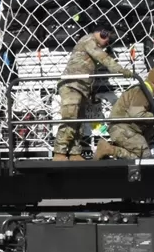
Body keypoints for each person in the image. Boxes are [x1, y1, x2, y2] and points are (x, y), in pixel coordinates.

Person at [53, 27, 134, 161]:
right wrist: (121, 70)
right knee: (70, 119)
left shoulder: (91, 45)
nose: (107, 42)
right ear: (103, 33)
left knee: (79, 122)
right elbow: (102, 57)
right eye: (108, 38)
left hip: (81, 88)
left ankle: (74, 153)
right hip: (72, 85)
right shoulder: (88, 40)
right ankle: (59, 152)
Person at [95, 66, 154, 160]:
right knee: (144, 156)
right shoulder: (142, 92)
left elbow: (151, 117)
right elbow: (138, 115)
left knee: (141, 158)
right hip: (123, 129)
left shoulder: (143, 91)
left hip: (124, 129)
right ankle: (109, 149)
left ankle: (110, 149)